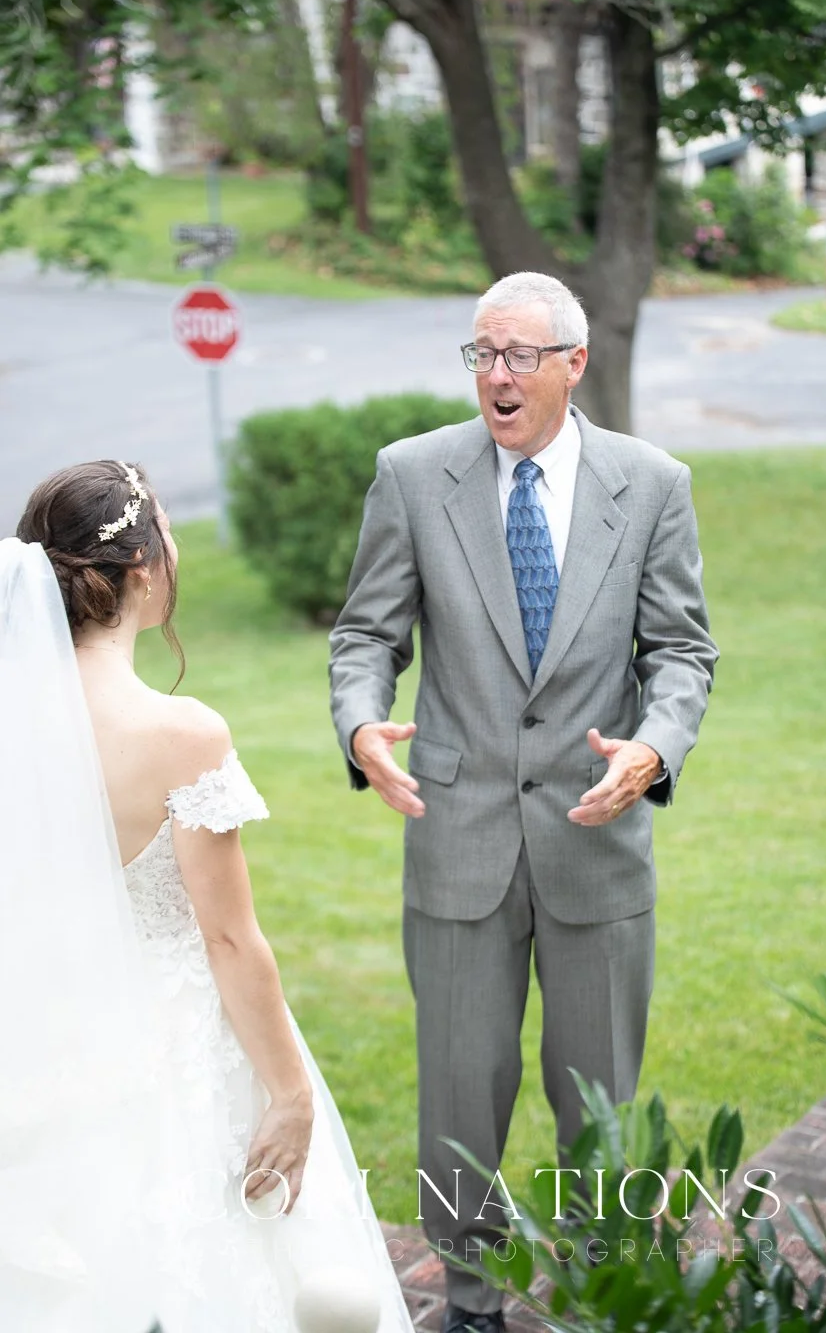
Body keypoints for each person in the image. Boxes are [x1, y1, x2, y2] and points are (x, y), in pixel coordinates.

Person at [329, 271, 719, 1333]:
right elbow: (367, 635)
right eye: (481, 355)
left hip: (600, 845)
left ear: (571, 365)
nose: (496, 377)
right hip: (457, 841)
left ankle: (603, 1292)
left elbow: (681, 652)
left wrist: (653, 745)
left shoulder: (653, 484)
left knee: (598, 1099)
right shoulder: (413, 477)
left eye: (518, 357)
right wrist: (362, 724)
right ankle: (467, 1301)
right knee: (461, 1093)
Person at [1, 460, 414, 1333]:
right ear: (146, 568)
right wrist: (290, 1094)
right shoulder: (181, 734)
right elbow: (230, 941)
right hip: (177, 1040)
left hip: (43, 1034)